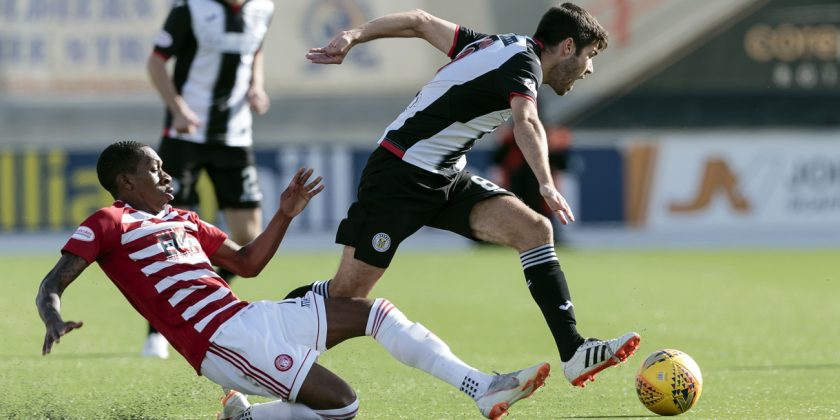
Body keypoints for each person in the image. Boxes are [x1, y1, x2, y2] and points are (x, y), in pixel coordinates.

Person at [35, 141, 550, 420]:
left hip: (250, 316)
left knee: (377, 312)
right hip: (219, 342)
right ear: (127, 182)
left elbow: (249, 265)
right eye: (156, 170)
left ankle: (480, 387)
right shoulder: (109, 222)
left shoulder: (187, 219)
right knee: (344, 406)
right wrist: (53, 317)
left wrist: (284, 214)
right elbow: (52, 281)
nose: (168, 177)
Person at [291, 3, 641, 387]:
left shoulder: (496, 46)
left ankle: (573, 351)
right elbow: (526, 121)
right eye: (590, 56)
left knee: (535, 230)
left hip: (444, 177)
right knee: (345, 297)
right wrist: (545, 182)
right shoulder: (522, 63)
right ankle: (257, 340)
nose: (589, 68)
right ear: (568, 46)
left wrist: (355, 35)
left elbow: (420, 22)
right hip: (399, 175)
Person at [144, 0, 274, 358]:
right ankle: (156, 330)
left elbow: (255, 49)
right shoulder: (191, 9)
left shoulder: (264, 8)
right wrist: (179, 109)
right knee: (174, 236)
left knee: (248, 239)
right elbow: (155, 64)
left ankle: (200, 302)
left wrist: (256, 86)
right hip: (185, 137)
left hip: (235, 137)